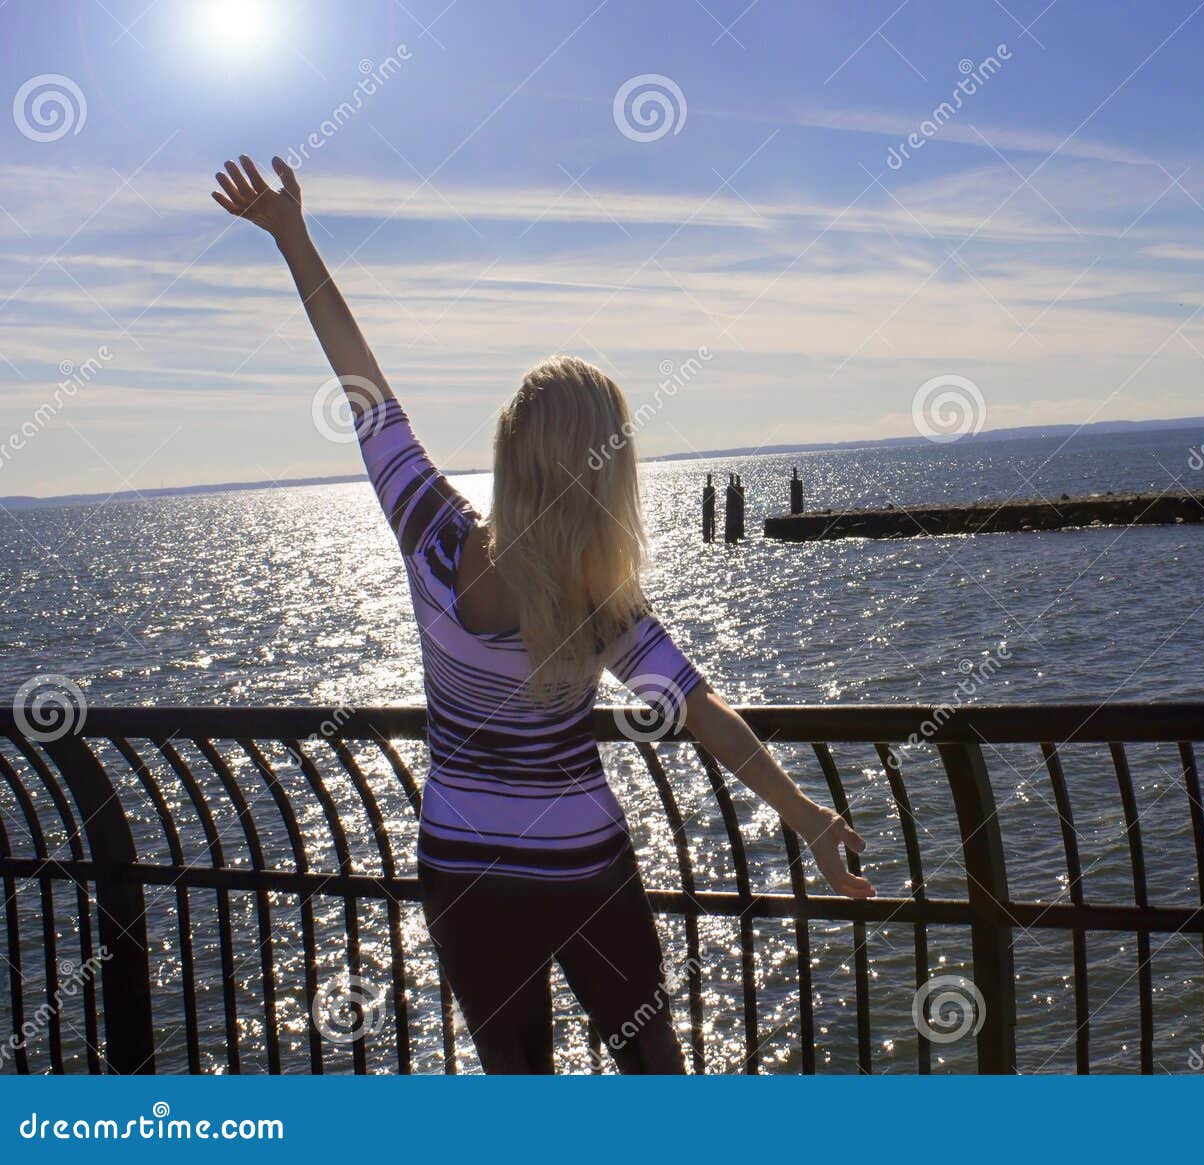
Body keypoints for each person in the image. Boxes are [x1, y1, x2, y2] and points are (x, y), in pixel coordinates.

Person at [210, 155, 874, 1074]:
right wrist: (808, 821)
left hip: (463, 871)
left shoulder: (432, 536)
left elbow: (359, 379)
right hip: (583, 871)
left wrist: (293, 237)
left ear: (509, 450)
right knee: (654, 1080)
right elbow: (703, 712)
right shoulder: (598, 601)